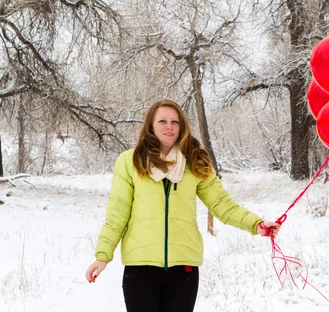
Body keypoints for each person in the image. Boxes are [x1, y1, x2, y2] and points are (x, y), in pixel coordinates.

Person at [85, 99, 280, 312]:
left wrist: (256, 224)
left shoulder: (196, 162)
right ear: (151, 125)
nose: (169, 127)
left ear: (182, 126)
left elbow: (222, 204)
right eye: (162, 121)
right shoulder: (130, 161)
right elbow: (117, 213)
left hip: (184, 268)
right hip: (140, 267)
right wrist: (102, 256)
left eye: (175, 122)